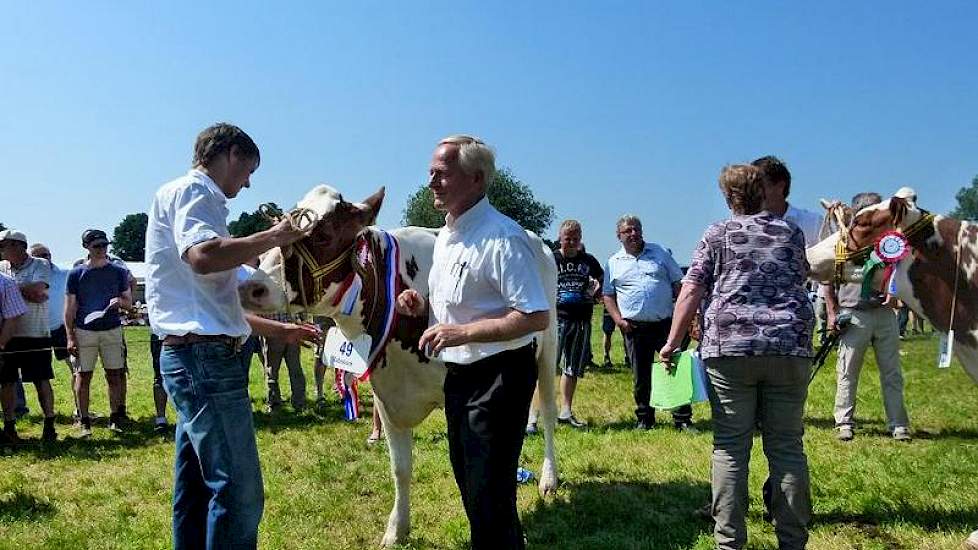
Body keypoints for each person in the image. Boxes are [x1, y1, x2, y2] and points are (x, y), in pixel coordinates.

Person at [146, 122, 319, 549]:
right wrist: (276, 235)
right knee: (240, 492)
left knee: (197, 487)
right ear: (229, 154)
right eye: (248, 170)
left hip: (192, 356)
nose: (248, 183)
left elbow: (221, 299)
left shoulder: (183, 196)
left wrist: (282, 327)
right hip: (205, 361)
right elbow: (203, 257)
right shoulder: (197, 192)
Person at [396, 134, 549, 549]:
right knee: (469, 480)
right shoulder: (446, 236)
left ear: (477, 180)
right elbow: (464, 303)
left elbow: (535, 315)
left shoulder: (503, 238)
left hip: (500, 375)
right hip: (460, 374)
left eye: (442, 174)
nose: (431, 182)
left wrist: (461, 333)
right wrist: (421, 306)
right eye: (430, 173)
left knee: (489, 491)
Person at [660, 164, 814, 549]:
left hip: (730, 348)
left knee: (730, 447)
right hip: (788, 345)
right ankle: (793, 542)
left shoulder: (718, 234)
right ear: (763, 192)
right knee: (787, 448)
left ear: (728, 197)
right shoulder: (791, 232)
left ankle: (729, 543)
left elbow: (692, 290)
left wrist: (673, 341)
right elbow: (802, 277)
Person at [825, 192, 911, 442]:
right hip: (853, 313)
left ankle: (898, 424)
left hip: (885, 313)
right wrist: (832, 312)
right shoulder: (843, 241)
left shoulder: (892, 242)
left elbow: (901, 271)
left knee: (892, 372)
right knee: (847, 371)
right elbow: (827, 280)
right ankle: (843, 422)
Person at [602, 215, 692, 431]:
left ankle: (683, 419)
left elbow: (679, 284)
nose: (634, 234)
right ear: (619, 236)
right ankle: (644, 418)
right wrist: (618, 320)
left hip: (664, 324)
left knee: (675, 370)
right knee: (641, 376)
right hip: (634, 328)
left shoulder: (659, 253)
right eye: (628, 231)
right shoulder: (613, 263)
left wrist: (686, 317)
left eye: (637, 229)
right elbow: (607, 295)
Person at [65, 229, 133, 436]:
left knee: (114, 375)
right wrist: (70, 335)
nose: (102, 249)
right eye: (97, 246)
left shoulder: (118, 272)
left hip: (112, 329)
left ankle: (115, 417)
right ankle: (84, 420)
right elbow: (70, 308)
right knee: (83, 376)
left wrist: (119, 302)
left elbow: (128, 303)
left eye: (105, 245)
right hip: (85, 331)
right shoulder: (76, 273)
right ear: (86, 247)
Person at [0, 229, 57, 442]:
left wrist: (8, 288)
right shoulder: (1, 268)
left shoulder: (40, 264)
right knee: (6, 381)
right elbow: (34, 294)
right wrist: (25, 291)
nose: (1, 250)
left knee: (41, 380)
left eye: (3, 245)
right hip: (7, 333)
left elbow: (39, 289)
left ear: (18, 246)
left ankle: (49, 423)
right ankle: (9, 425)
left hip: (36, 332)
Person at [551, 219, 602, 428]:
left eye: (575, 239)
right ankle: (533, 416)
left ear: (580, 239)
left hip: (581, 320)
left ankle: (565, 411)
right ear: (559, 238)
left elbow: (601, 277)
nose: (571, 243)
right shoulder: (550, 259)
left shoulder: (588, 260)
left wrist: (595, 289)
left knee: (572, 368)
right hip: (555, 321)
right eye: (567, 239)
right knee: (545, 367)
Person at [0, 272, 28, 446]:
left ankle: (9, 427)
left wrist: (1, 344)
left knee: (7, 383)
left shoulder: (6, 282)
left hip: (3, 340)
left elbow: (13, 316)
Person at [261, 312, 307, 412]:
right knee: (274, 371)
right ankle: (276, 403)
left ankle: (297, 403)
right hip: (275, 332)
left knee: (293, 369)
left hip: (288, 330)